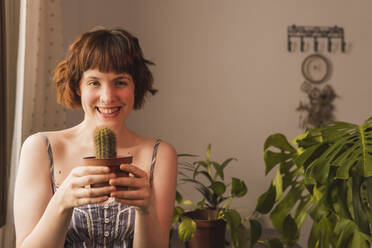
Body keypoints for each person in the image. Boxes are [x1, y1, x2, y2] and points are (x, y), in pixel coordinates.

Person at [13, 27, 177, 248]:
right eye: (94, 82)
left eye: (120, 82)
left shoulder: (161, 154)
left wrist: (145, 209)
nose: (107, 97)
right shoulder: (40, 148)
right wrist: (62, 202)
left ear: (135, 86)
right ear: (77, 86)